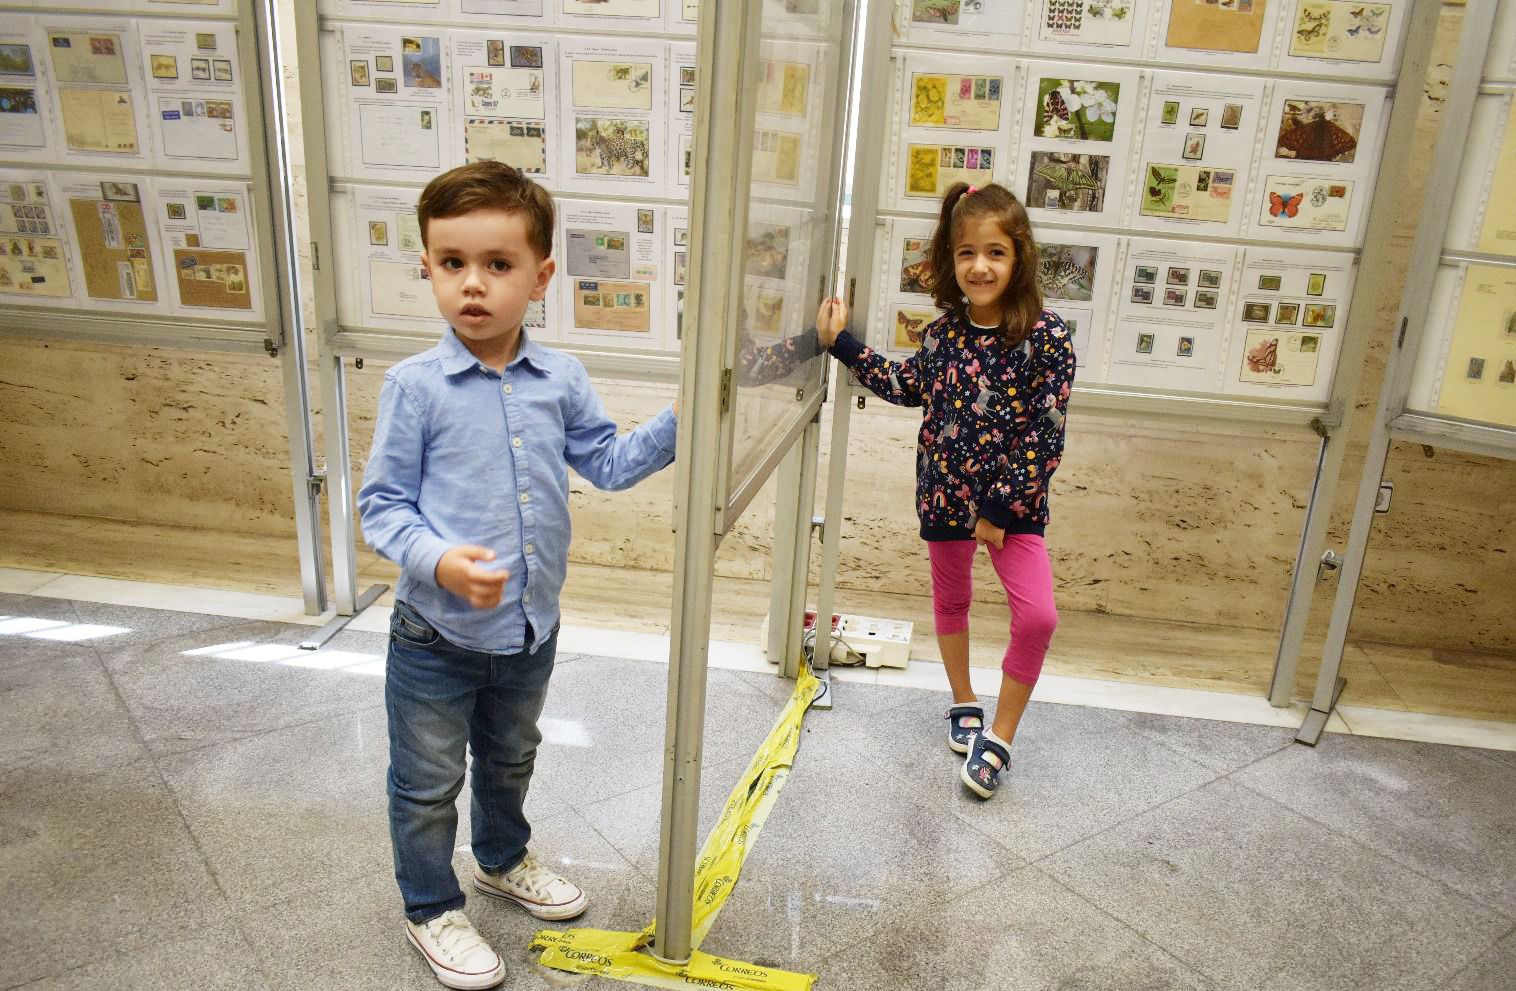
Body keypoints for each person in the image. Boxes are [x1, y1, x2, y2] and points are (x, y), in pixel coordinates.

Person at [358, 161, 677, 990]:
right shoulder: (414, 388)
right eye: (452, 262)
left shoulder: (560, 379)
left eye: (497, 265)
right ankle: (430, 905)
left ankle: (501, 858)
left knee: (510, 759)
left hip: (531, 627)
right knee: (428, 782)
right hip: (435, 634)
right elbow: (383, 506)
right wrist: (438, 559)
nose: (473, 284)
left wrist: (688, 414)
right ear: (427, 267)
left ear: (539, 278)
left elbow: (606, 463)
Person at [816, 182, 1075, 799]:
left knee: (1037, 618)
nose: (980, 266)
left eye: (995, 252)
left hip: (1012, 510)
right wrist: (842, 345)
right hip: (942, 497)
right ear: (950, 259)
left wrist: (997, 509)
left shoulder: (1049, 338)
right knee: (951, 603)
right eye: (966, 253)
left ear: (1019, 258)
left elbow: (1046, 434)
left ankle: (1001, 737)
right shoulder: (942, 336)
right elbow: (909, 386)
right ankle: (963, 699)